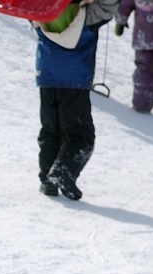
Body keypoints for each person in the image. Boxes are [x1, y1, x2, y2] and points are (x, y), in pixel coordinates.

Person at [33, 0, 116, 201]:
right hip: (74, 80)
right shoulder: (87, 16)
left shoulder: (39, 9)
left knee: (52, 130)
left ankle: (48, 179)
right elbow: (109, 5)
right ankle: (63, 171)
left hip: (47, 77)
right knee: (81, 135)